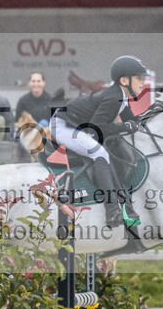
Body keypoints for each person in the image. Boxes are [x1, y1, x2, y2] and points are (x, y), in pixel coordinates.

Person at [50, 55, 149, 229]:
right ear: (124, 80)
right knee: (99, 153)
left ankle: (124, 207)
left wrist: (153, 113)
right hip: (63, 126)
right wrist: (124, 126)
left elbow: (133, 121)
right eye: (138, 78)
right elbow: (96, 128)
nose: (143, 83)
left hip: (78, 125)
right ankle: (112, 211)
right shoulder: (114, 97)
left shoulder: (122, 96)